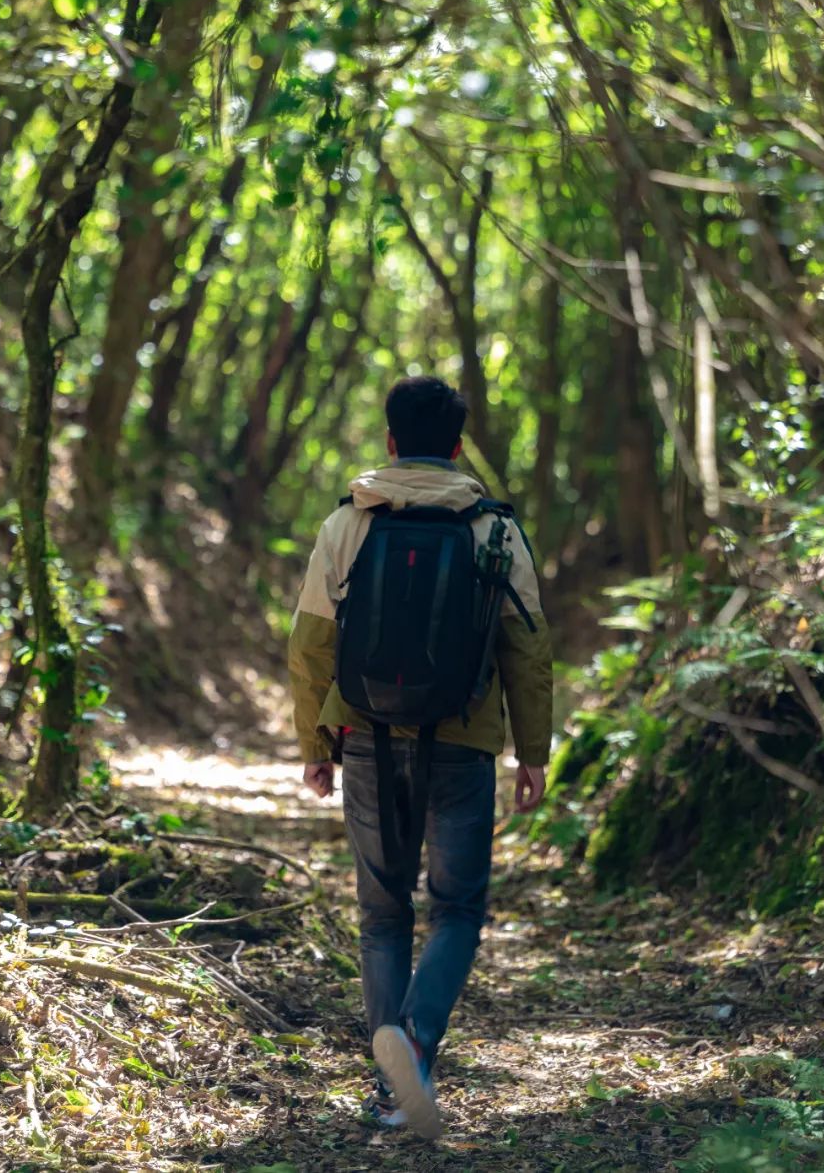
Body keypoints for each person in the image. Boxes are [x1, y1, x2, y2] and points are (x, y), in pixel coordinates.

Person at [289, 375, 553, 1138]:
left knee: (381, 913)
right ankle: (415, 1042)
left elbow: (309, 645)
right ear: (460, 445)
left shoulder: (349, 523)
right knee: (459, 907)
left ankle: (389, 1086)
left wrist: (316, 745)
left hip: (365, 734)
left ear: (391, 441)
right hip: (464, 740)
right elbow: (528, 645)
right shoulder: (492, 528)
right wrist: (530, 751)